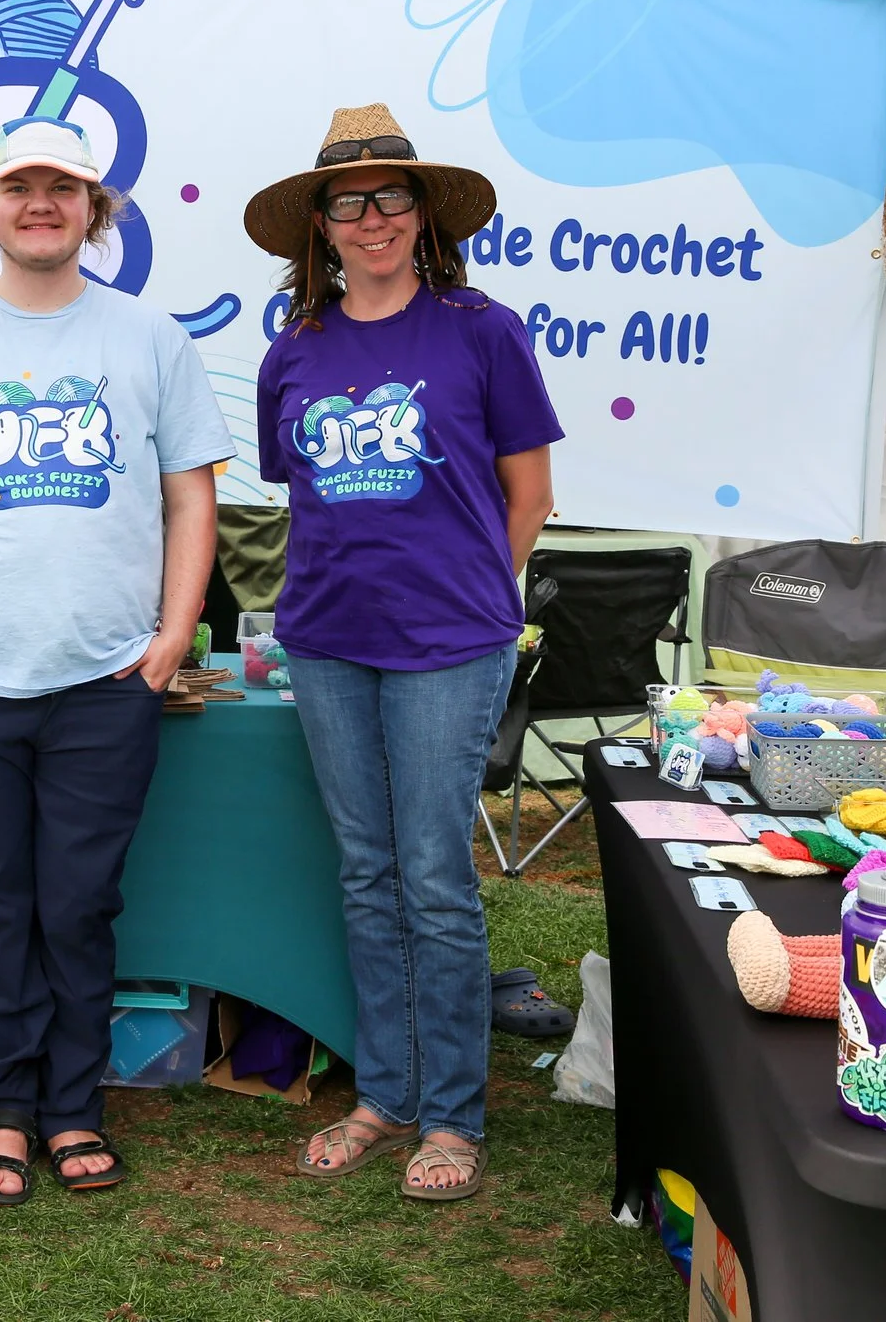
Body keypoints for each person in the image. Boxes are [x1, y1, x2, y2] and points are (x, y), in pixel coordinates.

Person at [0, 116, 231, 1204]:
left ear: (93, 209)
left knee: (77, 902)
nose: (41, 204)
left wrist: (169, 641)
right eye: (18, 186)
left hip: (106, 680)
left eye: (62, 188)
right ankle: (2, 1107)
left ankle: (74, 1103)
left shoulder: (149, 338)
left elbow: (188, 495)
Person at [246, 104, 560, 1204]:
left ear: (422, 215)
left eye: (390, 196)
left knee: (431, 877)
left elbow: (530, 493)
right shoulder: (296, 350)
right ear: (319, 228)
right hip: (327, 640)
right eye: (348, 202)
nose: (371, 217)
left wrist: (478, 590)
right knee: (367, 874)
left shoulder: (482, 329)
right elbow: (306, 500)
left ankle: (453, 1115)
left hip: (447, 644)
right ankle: (384, 1091)